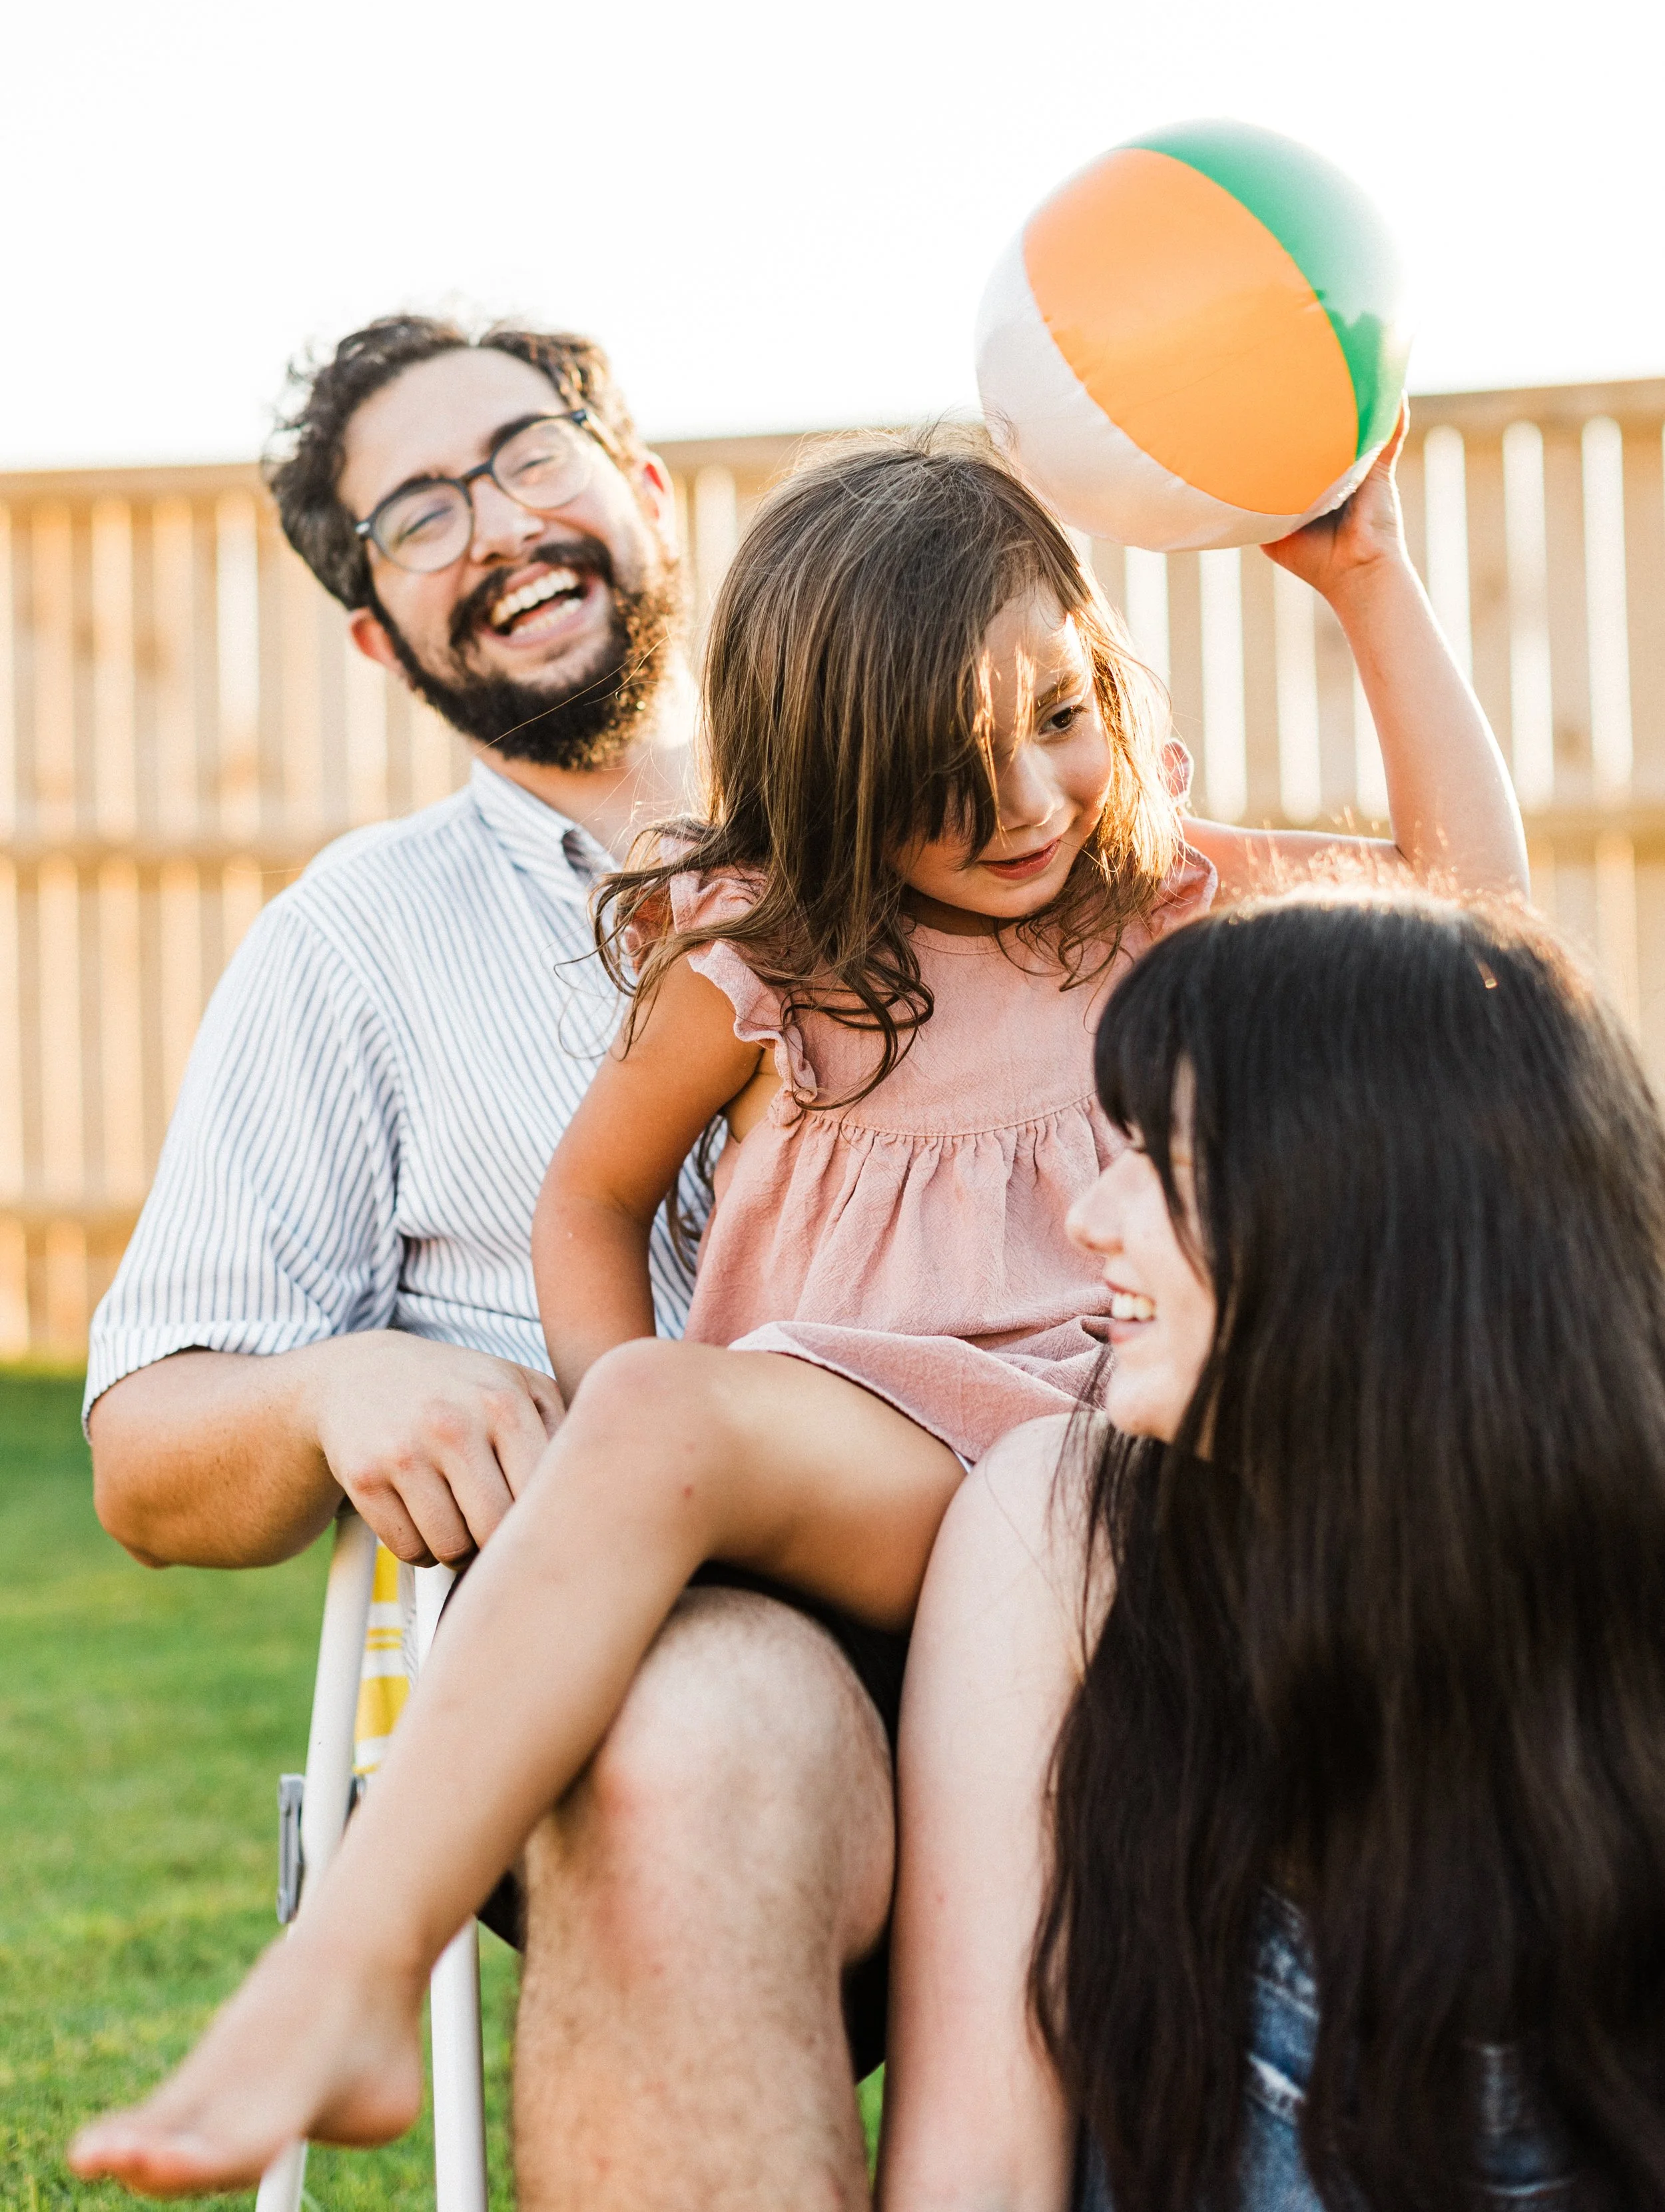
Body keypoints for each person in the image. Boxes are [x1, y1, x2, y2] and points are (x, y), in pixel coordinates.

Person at [73, 413, 1529, 2197]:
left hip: (1124, 1469)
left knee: (968, 1520)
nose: (1023, 804)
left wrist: (1368, 579)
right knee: (667, 1412)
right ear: (825, 780)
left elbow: (1484, 940)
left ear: (1106, 676)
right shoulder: (768, 945)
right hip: (878, 1458)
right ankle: (354, 1957)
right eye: (939, 774)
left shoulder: (1180, 896)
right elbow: (591, 1195)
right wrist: (624, 1400)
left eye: (1057, 719)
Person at [81, 314, 919, 2211]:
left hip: (982, 1552)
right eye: (421, 513)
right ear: (377, 631)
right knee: (690, 1731)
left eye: (532, 456)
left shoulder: (923, 808)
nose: (498, 525)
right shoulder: (351, 944)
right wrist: (325, 1380)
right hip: (636, 1644)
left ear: (644, 491)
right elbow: (143, 1451)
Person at [878, 892, 1665, 2212]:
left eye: (1165, 1157)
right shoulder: (1061, 1542)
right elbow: (975, 2177)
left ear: (1368, 1210)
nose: (1085, 1218)